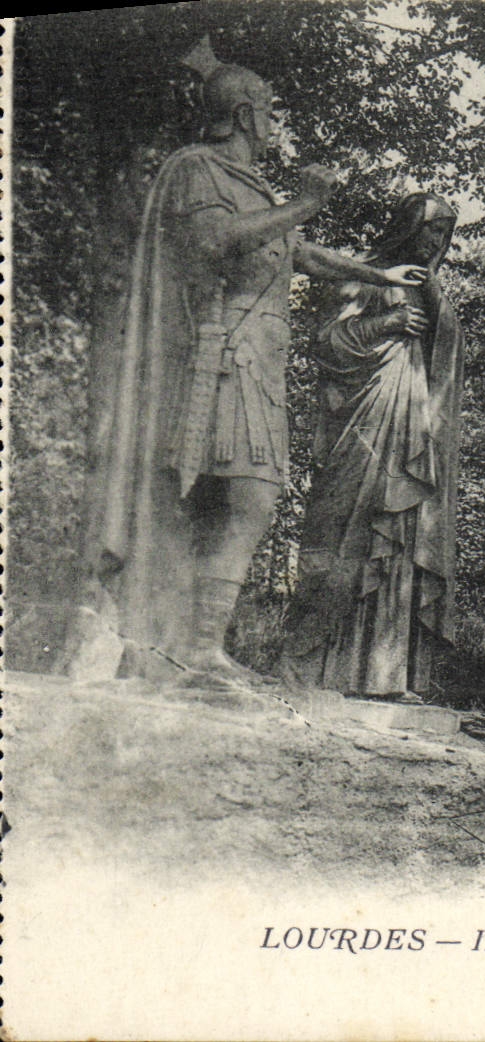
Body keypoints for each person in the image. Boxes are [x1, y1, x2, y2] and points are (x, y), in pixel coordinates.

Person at [68, 52, 426, 684]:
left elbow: (298, 252)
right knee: (231, 495)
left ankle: (190, 644)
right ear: (241, 113)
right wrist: (305, 203)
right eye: (266, 113)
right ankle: (183, 645)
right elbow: (216, 242)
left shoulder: (250, 186)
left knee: (240, 497)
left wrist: (375, 273)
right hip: (216, 357)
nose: (271, 126)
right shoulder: (195, 171)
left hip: (256, 362)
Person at [278, 194, 463, 701]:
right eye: (430, 232)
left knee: (401, 540)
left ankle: (384, 676)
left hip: (411, 427)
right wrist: (386, 323)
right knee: (350, 534)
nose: (437, 243)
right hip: (364, 421)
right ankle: (318, 668)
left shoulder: (433, 291)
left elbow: (442, 361)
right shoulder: (366, 273)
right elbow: (327, 343)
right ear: (407, 230)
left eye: (445, 235)